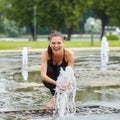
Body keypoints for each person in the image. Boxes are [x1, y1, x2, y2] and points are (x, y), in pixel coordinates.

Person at [40, 30, 74, 110]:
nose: (56, 46)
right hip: (49, 80)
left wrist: (69, 83)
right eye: (53, 43)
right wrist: (56, 83)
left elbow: (71, 73)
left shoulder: (69, 54)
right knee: (50, 71)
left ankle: (56, 97)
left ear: (63, 43)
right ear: (50, 43)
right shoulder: (46, 54)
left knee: (61, 70)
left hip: (63, 78)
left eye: (59, 43)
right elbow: (43, 75)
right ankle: (54, 97)